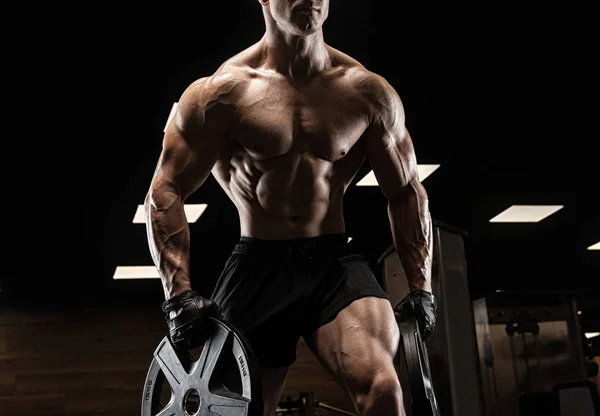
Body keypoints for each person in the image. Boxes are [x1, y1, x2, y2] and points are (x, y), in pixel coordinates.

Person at [145, 1, 436, 415]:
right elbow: (165, 190)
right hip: (257, 266)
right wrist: (178, 295)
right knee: (238, 409)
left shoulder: (367, 92)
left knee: (384, 390)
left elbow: (407, 190)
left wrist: (421, 287)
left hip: (333, 263)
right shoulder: (220, 94)